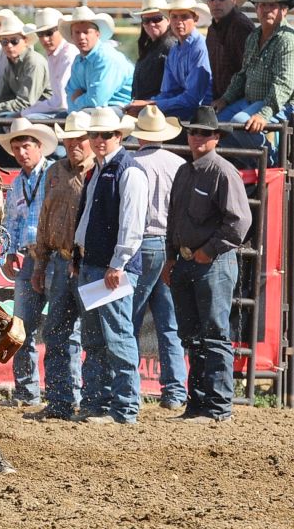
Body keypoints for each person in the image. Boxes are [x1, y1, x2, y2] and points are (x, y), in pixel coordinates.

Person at [164, 106, 252, 423]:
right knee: (192, 334)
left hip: (211, 263)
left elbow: (240, 223)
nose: (197, 137)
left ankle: (217, 407)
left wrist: (209, 250)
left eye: (204, 133)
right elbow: (173, 221)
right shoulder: (185, 172)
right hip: (188, 261)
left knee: (213, 333)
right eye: (193, 132)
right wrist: (170, 258)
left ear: (215, 138)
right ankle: (199, 403)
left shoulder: (222, 172)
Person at [67, 108, 148, 425]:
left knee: (117, 336)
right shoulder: (100, 171)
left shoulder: (128, 171)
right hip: (94, 263)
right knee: (96, 338)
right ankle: (99, 402)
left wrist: (119, 263)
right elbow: (86, 219)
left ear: (119, 136)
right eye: (95, 134)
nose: (99, 140)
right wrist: (79, 257)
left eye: (106, 134)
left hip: (112, 267)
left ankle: (125, 407)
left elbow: (132, 225)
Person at [27, 110, 94, 420]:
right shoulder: (54, 172)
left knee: (93, 335)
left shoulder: (98, 173)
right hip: (59, 260)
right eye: (69, 138)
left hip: (89, 264)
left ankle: (92, 401)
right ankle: (60, 401)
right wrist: (40, 264)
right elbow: (44, 220)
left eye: (80, 138)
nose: (74, 143)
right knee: (56, 331)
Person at [123, 104, 188, 410]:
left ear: (139, 136)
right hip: (169, 246)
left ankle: (128, 391)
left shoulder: (130, 162)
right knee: (168, 323)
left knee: (129, 320)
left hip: (140, 244)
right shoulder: (178, 163)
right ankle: (175, 391)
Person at [0, 118, 57, 407]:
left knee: (60, 326)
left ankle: (58, 391)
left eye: (27, 146)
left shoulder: (54, 174)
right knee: (21, 328)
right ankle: (27, 391)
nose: (22, 152)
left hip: (54, 256)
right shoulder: (19, 181)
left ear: (39, 147)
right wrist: (9, 253)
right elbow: (12, 221)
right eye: (17, 147)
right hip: (29, 257)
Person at [215, 0, 294, 162]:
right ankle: (252, 165)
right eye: (262, 5)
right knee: (217, 124)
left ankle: (270, 163)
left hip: (283, 105)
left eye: (272, 5)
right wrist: (226, 99)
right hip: (252, 100)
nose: (266, 9)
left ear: (283, 10)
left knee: (239, 123)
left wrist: (264, 113)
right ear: (256, 9)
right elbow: (243, 74)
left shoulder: (288, 39)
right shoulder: (254, 36)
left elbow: (284, 84)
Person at [127, 0, 213, 123]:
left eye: (184, 17)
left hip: (200, 115)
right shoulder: (174, 49)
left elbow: (193, 99)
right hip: (183, 111)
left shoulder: (199, 47)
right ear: (169, 20)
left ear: (195, 19)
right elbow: (168, 92)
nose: (179, 22)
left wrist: (149, 105)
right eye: (174, 17)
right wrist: (148, 104)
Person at [62, 6, 133, 115]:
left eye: (86, 32)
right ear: (72, 36)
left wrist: (77, 99)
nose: (81, 36)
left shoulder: (106, 57)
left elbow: (96, 100)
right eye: (77, 32)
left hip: (123, 109)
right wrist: (74, 112)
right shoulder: (78, 60)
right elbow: (70, 91)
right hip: (98, 111)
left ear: (97, 34)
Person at [202, 0, 255, 102]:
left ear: (234, 0)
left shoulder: (241, 27)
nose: (216, 3)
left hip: (240, 100)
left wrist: (226, 100)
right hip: (220, 99)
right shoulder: (212, 29)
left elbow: (247, 74)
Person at [23, 8, 74, 118]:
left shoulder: (68, 54)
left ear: (61, 30)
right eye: (40, 34)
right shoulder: (54, 54)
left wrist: (26, 112)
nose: (45, 39)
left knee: (26, 119)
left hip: (68, 112)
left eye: (49, 33)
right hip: (64, 109)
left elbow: (61, 101)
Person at [127, 0, 174, 102]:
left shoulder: (171, 46)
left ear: (168, 20)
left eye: (157, 19)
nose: (151, 24)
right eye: (146, 20)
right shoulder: (150, 46)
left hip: (158, 109)